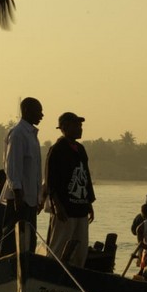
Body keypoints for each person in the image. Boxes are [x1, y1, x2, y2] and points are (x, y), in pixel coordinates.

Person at [44, 111, 95, 267]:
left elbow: (86, 176)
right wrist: (57, 205)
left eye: (80, 125)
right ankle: (50, 274)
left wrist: (89, 203)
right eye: (76, 125)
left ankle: (75, 279)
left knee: (80, 250)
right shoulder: (57, 149)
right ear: (65, 127)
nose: (80, 128)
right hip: (65, 208)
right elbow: (50, 180)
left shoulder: (80, 149)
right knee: (58, 246)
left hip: (80, 206)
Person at [0, 97, 44, 254]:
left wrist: (38, 197)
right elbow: (13, 167)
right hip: (20, 197)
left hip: (30, 198)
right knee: (12, 239)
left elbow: (34, 171)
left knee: (28, 239)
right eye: (38, 111)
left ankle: (26, 269)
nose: (42, 115)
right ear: (26, 111)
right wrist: (18, 195)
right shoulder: (18, 134)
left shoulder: (32, 135)